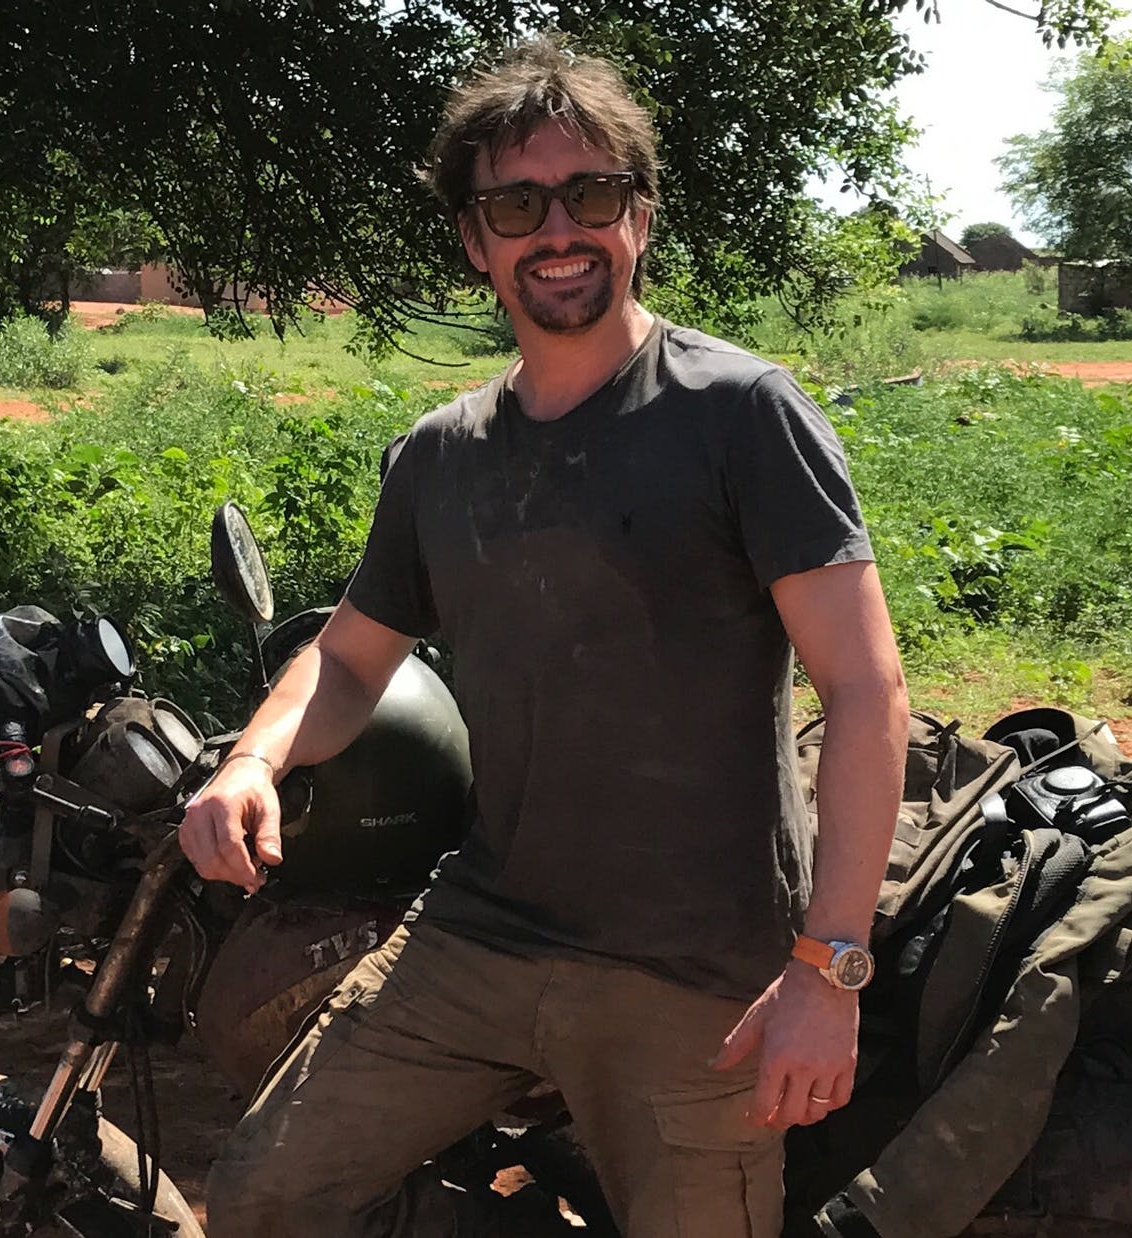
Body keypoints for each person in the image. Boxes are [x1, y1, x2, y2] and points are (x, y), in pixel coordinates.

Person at [182, 37, 910, 1238]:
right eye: (516, 204)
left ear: (640, 218)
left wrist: (826, 970)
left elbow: (866, 691)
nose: (557, 230)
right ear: (475, 240)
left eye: (591, 194)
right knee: (267, 1192)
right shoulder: (440, 456)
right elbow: (351, 656)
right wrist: (251, 759)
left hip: (695, 971)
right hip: (483, 930)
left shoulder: (739, 414)